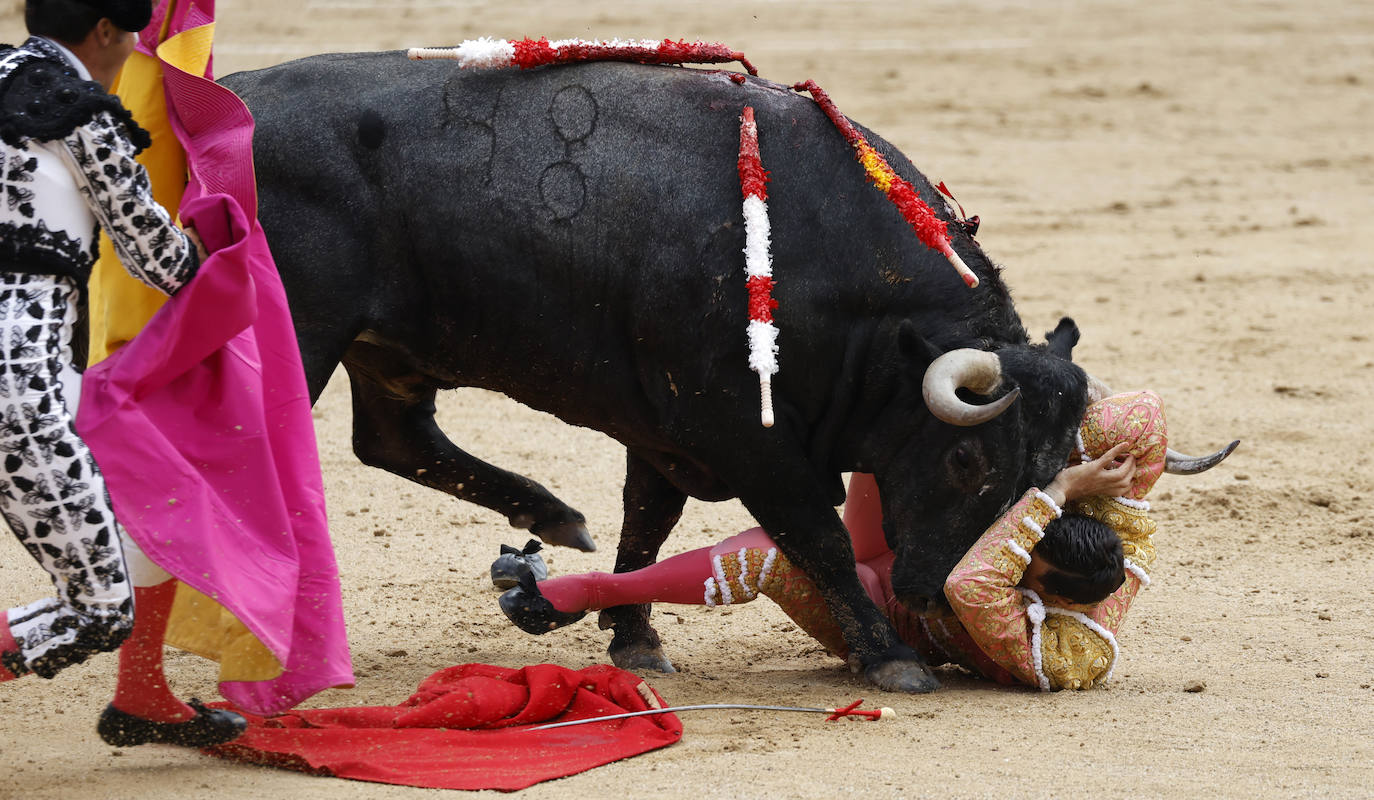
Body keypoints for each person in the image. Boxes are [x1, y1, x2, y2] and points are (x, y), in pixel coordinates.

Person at [497, 390, 1168, 691]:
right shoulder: (1113, 553)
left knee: (774, 552)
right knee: (896, 423)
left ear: (1046, 591)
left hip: (881, 613)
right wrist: (1054, 422)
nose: (1021, 545)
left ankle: (588, 591)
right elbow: (1144, 417)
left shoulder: (1062, 654)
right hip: (905, 546)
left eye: (1029, 561)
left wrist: (1051, 492)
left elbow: (970, 583)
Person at [0, 0, 244, 745]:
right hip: (17, 377)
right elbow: (157, 256)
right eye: (129, 31)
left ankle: (143, 691)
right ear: (105, 32)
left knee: (135, 508)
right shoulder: (80, 113)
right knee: (97, 607)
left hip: (36, 374)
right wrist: (237, 268)